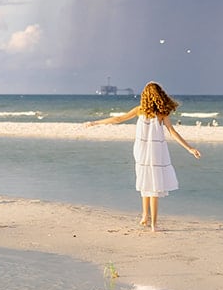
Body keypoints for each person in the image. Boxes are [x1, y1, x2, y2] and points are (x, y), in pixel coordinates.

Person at [85, 81, 201, 232]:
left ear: (145, 95)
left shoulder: (140, 110)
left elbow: (118, 119)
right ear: (159, 95)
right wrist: (189, 148)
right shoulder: (161, 112)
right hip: (155, 152)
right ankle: (148, 219)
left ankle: (150, 221)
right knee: (151, 185)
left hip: (143, 151)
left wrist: (95, 123)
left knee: (149, 185)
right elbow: (172, 132)